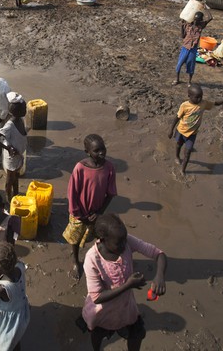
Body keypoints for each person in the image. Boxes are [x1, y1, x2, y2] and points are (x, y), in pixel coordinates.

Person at [80, 214, 166, 351]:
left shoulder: (125, 242)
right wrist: (128, 285)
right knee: (98, 334)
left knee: (136, 336)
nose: (124, 245)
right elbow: (97, 297)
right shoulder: (92, 259)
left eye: (124, 240)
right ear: (103, 240)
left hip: (126, 308)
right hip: (102, 312)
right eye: (118, 243)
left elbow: (158, 253)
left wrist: (159, 276)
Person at [64, 134, 117, 280]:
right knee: (75, 238)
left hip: (97, 213)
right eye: (97, 151)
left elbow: (111, 193)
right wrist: (79, 215)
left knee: (99, 237)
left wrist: (100, 212)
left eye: (103, 149)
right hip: (79, 213)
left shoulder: (109, 168)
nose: (102, 153)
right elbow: (72, 194)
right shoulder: (80, 168)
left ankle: (96, 261)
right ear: (87, 152)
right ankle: (75, 260)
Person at [169, 83, 223, 174]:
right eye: (197, 97)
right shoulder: (184, 105)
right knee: (179, 145)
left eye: (201, 97)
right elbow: (177, 117)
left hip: (192, 134)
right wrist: (171, 130)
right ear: (189, 96)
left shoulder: (203, 103)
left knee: (187, 153)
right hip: (181, 131)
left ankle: (183, 170)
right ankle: (177, 156)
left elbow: (217, 103)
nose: (199, 99)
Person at [0, 93, 27, 202]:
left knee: (16, 177)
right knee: (10, 180)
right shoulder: (9, 125)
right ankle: (8, 199)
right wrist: (8, 148)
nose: (26, 110)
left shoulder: (20, 120)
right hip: (11, 157)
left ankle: (15, 195)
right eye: (24, 108)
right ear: (19, 112)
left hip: (18, 155)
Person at [174, 12, 208, 85]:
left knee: (191, 66)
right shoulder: (188, 25)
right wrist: (182, 26)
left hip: (193, 49)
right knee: (179, 65)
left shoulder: (200, 26)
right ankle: (177, 80)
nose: (196, 21)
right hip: (185, 48)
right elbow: (182, 36)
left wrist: (206, 9)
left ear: (201, 20)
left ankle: (189, 82)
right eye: (195, 19)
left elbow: (210, 18)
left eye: (198, 20)